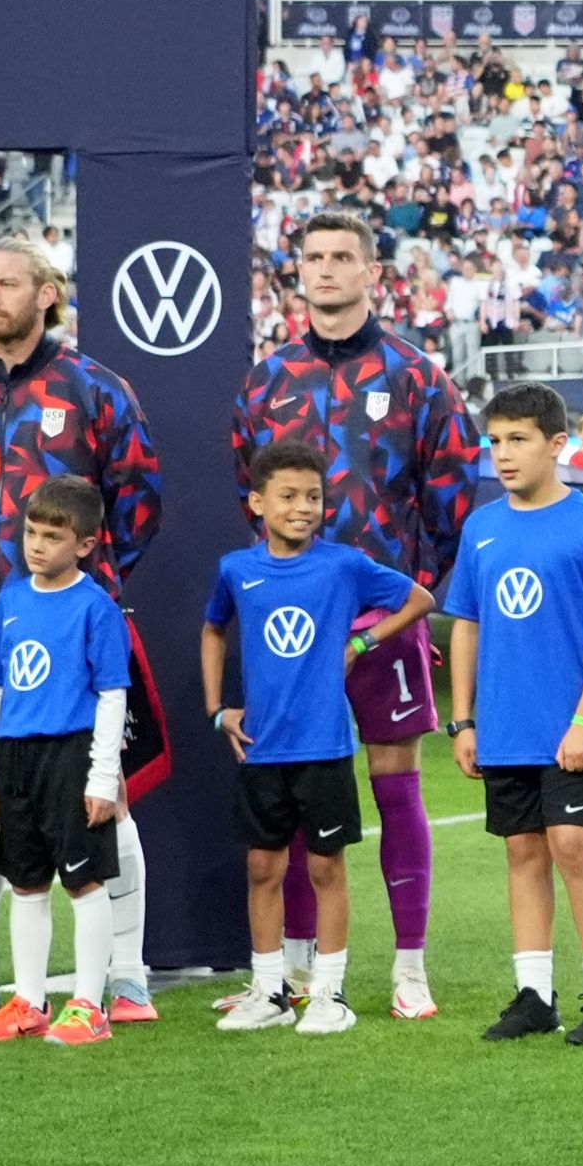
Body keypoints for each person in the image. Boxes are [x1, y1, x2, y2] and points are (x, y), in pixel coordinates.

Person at [231, 210, 483, 1019]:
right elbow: (249, 493)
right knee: (294, 790)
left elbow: (452, 501)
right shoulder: (266, 381)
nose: (327, 269)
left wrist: (405, 604)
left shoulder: (417, 376)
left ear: (372, 272)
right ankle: (294, 972)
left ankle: (410, 970)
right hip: (292, 630)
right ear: (298, 271)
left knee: (393, 782)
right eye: (315, 257)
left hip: (382, 627)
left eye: (344, 256)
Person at [0, 237, 166, 1021]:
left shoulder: (96, 389)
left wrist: (81, 595)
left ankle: (128, 976)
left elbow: (139, 505)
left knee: (107, 800)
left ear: (46, 293)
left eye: (7, 284)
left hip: (69, 635)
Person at [203, 438, 435, 1036]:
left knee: (327, 869)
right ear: (258, 503)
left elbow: (419, 599)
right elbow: (213, 629)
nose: (303, 508)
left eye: (313, 497)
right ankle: (269, 992)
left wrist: (361, 642)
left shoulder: (344, 565)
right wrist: (217, 710)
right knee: (263, 868)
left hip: (326, 748)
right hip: (263, 749)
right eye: (288, 496)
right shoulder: (236, 569)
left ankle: (330, 994)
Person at [446, 385, 583, 1047]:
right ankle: (535, 997)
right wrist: (463, 721)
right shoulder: (481, 528)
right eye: (495, 441)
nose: (503, 454)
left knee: (574, 846)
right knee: (523, 852)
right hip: (502, 727)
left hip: (567, 728)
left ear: (557, 445)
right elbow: (466, 625)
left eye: (518, 440)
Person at [0, 479, 134, 1044]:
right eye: (31, 533)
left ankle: (89, 1006)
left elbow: (112, 695)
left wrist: (102, 777)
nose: (37, 546)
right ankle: (29, 1000)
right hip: (18, 756)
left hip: (72, 754)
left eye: (52, 537)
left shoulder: (97, 609)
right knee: (27, 883)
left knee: (84, 882)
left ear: (85, 545)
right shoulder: (12, 602)